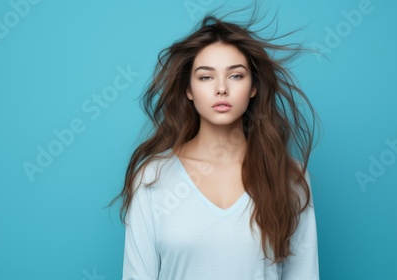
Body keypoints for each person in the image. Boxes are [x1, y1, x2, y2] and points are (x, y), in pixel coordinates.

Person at [111, 7, 321, 280]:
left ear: (253, 87)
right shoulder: (153, 177)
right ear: (189, 89)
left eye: (235, 75)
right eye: (206, 76)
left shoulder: (289, 176)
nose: (221, 88)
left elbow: (303, 275)